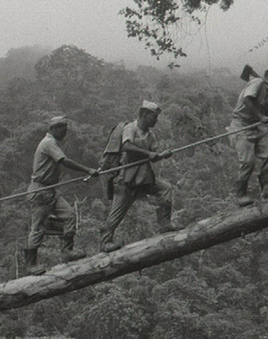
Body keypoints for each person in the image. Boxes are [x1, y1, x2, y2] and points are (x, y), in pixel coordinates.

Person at [99, 100, 179, 253]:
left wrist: (162, 155)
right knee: (117, 212)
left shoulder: (150, 135)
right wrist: (149, 154)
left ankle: (164, 224)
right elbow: (126, 146)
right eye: (153, 116)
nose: (155, 120)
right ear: (143, 115)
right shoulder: (131, 128)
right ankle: (105, 242)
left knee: (166, 189)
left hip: (144, 176)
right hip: (126, 177)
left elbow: (154, 155)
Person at [24, 115, 99, 275]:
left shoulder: (52, 143)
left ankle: (67, 251)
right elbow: (64, 161)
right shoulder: (49, 143)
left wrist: (81, 178)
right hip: (40, 191)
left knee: (70, 215)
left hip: (50, 190)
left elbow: (59, 166)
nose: (65, 134)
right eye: (64, 130)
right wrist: (88, 170)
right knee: (37, 228)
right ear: (55, 129)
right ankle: (31, 264)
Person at [229, 65, 268, 207]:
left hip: (255, 127)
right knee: (248, 161)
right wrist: (260, 116)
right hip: (241, 127)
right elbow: (247, 99)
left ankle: (266, 188)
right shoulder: (258, 82)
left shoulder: (267, 92)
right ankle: (240, 195)